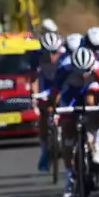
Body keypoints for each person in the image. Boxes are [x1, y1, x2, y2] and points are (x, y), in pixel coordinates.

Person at [48, 47, 99, 197]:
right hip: (71, 93)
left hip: (90, 89)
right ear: (73, 67)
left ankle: (94, 141)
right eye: (79, 71)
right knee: (68, 128)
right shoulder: (64, 69)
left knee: (91, 102)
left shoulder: (98, 70)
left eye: (86, 71)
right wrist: (54, 112)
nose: (82, 75)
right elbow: (55, 95)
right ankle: (69, 177)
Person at [32, 31, 65, 171]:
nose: (51, 56)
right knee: (44, 115)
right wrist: (35, 96)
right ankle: (44, 151)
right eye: (47, 53)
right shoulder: (36, 57)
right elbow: (34, 78)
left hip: (61, 84)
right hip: (46, 85)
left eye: (54, 52)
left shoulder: (65, 55)